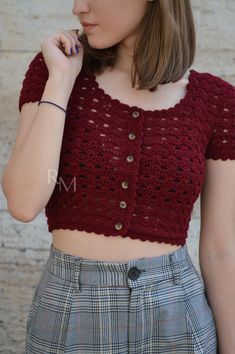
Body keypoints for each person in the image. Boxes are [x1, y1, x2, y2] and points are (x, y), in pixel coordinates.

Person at [1, 0, 235, 353]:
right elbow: (22, 201)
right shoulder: (54, 73)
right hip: (70, 309)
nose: (79, 8)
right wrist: (62, 81)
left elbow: (222, 250)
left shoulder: (216, 101)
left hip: (177, 315)